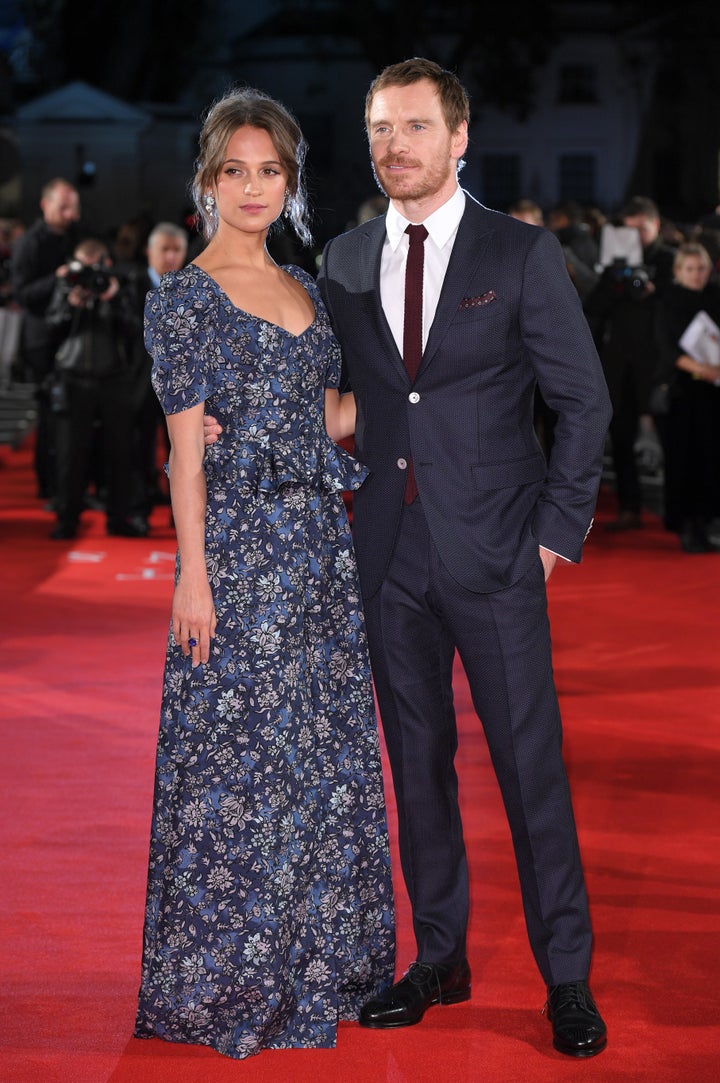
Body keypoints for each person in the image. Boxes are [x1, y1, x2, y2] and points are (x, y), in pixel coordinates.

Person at [205, 58, 612, 1059]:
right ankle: (441, 957)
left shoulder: (520, 254)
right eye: (381, 128)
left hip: (499, 556)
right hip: (386, 556)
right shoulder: (342, 258)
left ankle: (568, 976)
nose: (396, 146)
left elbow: (585, 403)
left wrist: (556, 535)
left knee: (530, 769)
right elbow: (351, 400)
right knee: (417, 768)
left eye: (416, 127)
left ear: (459, 137)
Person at [134, 88, 395, 1061]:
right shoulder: (186, 299)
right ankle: (232, 980)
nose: (253, 187)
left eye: (270, 170)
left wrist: (425, 393)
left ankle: (324, 964)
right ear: (207, 182)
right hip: (239, 556)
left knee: (316, 760)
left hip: (319, 554)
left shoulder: (310, 290)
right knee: (237, 761)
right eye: (234, 170)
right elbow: (184, 455)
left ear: (291, 181)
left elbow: (326, 421)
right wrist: (189, 576)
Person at [584, 195, 676, 531]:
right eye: (630, 230)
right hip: (619, 364)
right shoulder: (615, 264)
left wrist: (652, 288)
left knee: (672, 439)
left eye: (643, 229)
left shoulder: (670, 260)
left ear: (656, 224)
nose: (636, 237)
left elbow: (676, 308)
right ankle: (630, 509)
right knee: (621, 437)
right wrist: (617, 279)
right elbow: (594, 308)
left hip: (659, 365)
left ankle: (679, 511)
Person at [45, 237, 142, 539]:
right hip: (74, 378)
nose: (87, 276)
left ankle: (119, 517)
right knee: (70, 453)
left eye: (93, 268)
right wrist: (69, 305)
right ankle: (67, 518)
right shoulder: (65, 290)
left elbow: (136, 330)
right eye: (80, 268)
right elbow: (50, 330)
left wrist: (112, 298)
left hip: (114, 378)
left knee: (119, 451)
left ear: (106, 265)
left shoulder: (120, 288)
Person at [10, 178, 81, 501]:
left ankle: (71, 488)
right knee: (51, 417)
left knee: (75, 416)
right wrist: (58, 279)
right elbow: (22, 295)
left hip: (74, 337)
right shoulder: (29, 243)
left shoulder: (76, 237)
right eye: (63, 207)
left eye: (73, 207)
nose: (70, 213)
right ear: (45, 204)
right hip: (42, 342)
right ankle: (49, 487)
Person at [652, 242, 720, 552]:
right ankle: (686, 526)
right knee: (683, 459)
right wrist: (702, 369)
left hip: (712, 392)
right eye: (690, 269)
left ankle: (705, 523)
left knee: (711, 458)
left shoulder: (715, 298)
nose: (696, 275)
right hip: (682, 390)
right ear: (678, 271)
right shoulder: (667, 300)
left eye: (701, 268)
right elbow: (666, 348)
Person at [127, 222, 189, 528]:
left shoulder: (193, 288)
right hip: (139, 384)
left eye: (176, 249)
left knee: (183, 452)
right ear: (149, 252)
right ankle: (139, 510)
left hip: (180, 387)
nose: (170, 256)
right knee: (139, 448)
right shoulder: (130, 285)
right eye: (164, 249)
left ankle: (181, 512)